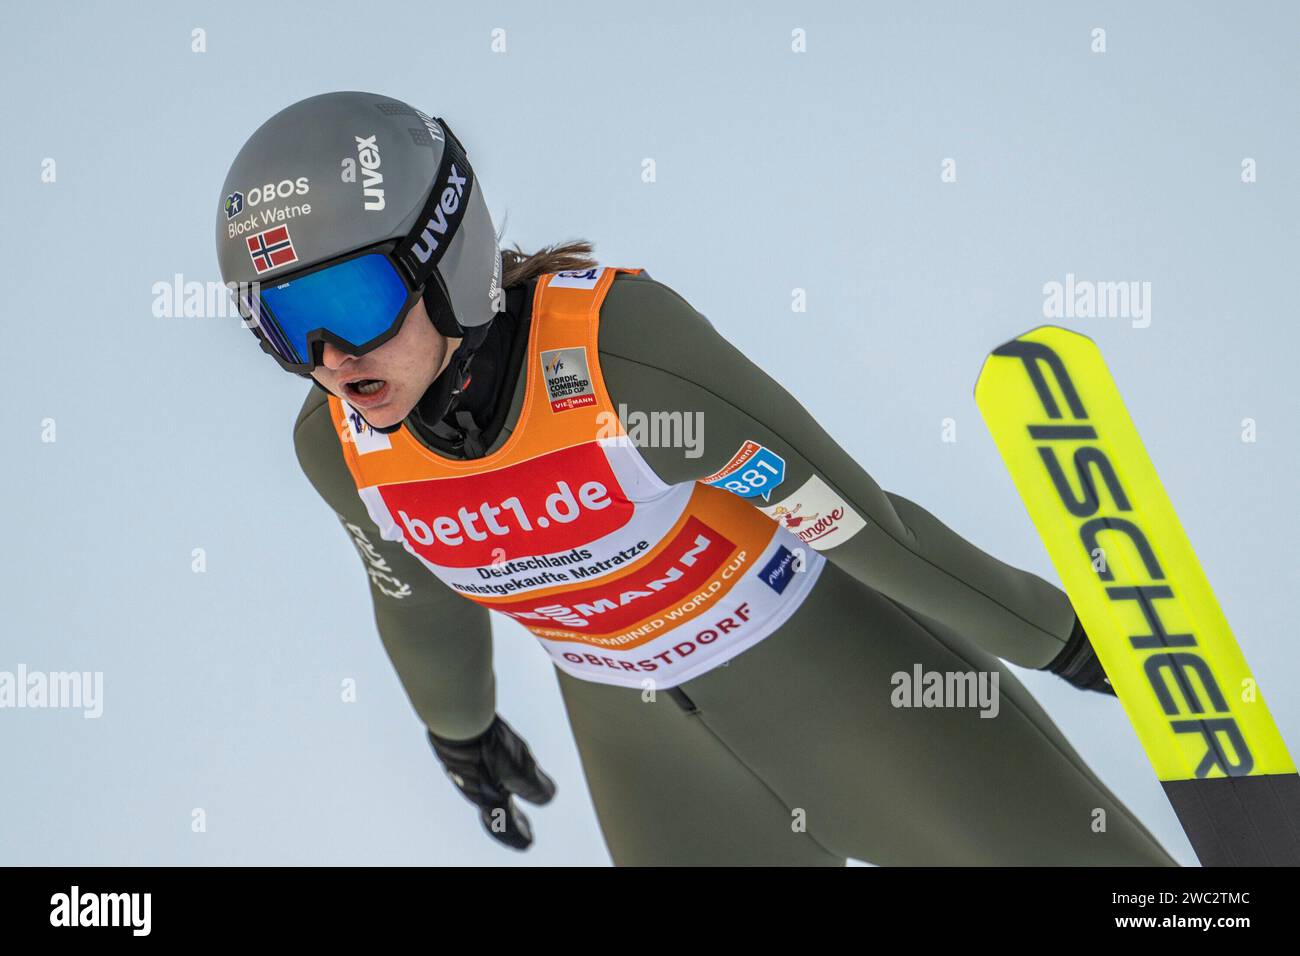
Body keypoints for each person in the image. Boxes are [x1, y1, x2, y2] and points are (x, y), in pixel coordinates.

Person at [215, 90, 1176, 866]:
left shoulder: (620, 359)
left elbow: (854, 520)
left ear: (444, 258)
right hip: (645, 755)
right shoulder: (339, 448)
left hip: (841, 682)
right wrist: (457, 729)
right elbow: (417, 597)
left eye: (351, 300)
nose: (331, 357)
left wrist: (1056, 635)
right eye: (284, 326)